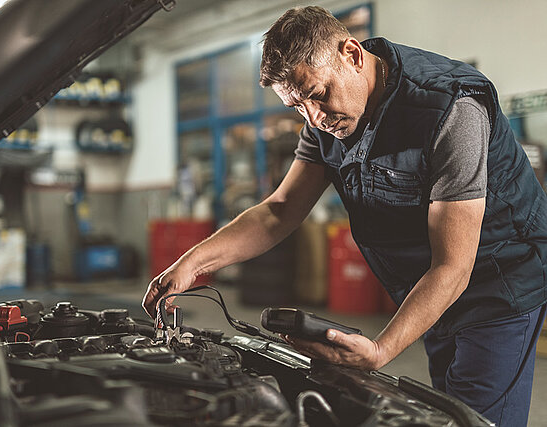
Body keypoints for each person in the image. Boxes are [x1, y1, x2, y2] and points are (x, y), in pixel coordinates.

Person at [143, 6, 547, 426]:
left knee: (476, 418)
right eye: (297, 106)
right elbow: (278, 212)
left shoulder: (450, 108)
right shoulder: (323, 123)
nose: (313, 118)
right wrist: (192, 264)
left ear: (352, 54)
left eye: (317, 94)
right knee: (447, 411)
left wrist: (381, 350)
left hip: (499, 281)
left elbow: (454, 265)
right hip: (429, 285)